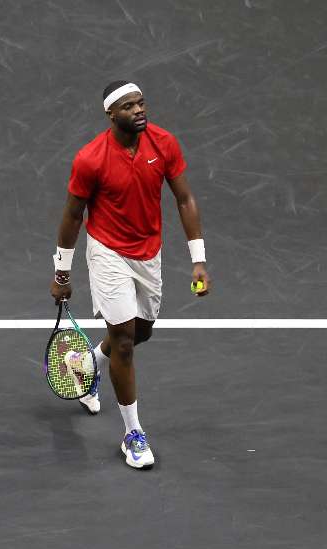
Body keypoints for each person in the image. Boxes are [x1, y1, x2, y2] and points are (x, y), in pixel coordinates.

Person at [50, 80, 210, 469]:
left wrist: (198, 259)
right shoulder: (90, 159)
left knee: (141, 332)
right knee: (123, 341)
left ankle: (85, 363)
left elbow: (184, 198)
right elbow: (73, 215)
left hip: (148, 252)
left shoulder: (164, 144)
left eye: (141, 103)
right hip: (107, 251)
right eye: (129, 106)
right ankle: (133, 434)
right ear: (111, 114)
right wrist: (61, 271)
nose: (139, 110)